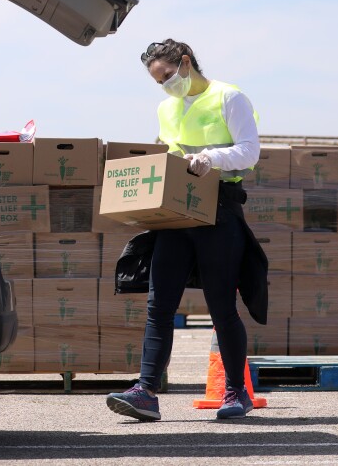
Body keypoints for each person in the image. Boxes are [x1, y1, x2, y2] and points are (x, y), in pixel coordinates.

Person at [106, 38, 267, 421]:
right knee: (158, 304)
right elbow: (165, 151)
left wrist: (210, 158)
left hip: (218, 210)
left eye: (165, 75)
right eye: (157, 81)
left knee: (222, 306)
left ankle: (235, 393)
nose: (164, 85)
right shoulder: (166, 107)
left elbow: (250, 151)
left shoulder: (229, 97)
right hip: (176, 214)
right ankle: (146, 391)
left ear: (185, 61)